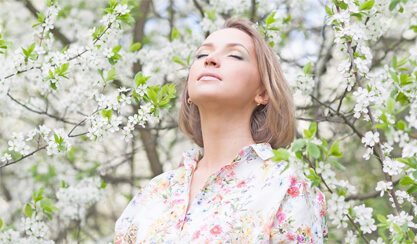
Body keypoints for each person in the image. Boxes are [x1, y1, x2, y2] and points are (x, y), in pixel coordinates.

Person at [114, 18, 328, 243]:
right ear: (188, 90)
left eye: (235, 55)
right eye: (201, 55)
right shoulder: (154, 194)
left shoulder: (286, 185)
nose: (211, 60)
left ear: (263, 92)